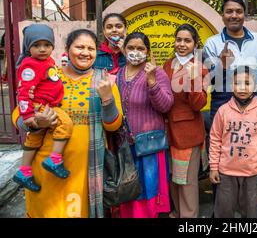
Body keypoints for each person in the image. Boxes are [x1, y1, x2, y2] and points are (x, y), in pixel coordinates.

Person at [12, 28, 123, 217]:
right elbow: (18, 117)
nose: (85, 53)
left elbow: (113, 125)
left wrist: (107, 99)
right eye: (79, 47)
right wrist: (38, 122)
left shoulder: (104, 81)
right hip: (45, 170)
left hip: (85, 173)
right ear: (67, 49)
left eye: (90, 48)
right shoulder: (50, 76)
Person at [116, 32, 174, 218]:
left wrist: (152, 82)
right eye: (131, 48)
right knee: (128, 190)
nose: (135, 52)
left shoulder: (157, 73)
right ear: (124, 50)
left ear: (147, 51)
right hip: (125, 145)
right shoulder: (118, 73)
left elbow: (166, 106)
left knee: (148, 190)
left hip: (148, 145)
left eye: (140, 48)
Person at [13, 24, 74, 193]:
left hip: (46, 104)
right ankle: (54, 159)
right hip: (41, 106)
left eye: (46, 45)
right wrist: (28, 116)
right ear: (28, 47)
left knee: (35, 136)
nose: (42, 49)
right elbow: (24, 92)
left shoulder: (48, 61)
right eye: (36, 45)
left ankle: (24, 171)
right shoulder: (30, 66)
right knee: (65, 124)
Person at [209, 66, 257, 218]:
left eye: (247, 83)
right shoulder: (223, 111)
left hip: (252, 173)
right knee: (223, 212)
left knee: (250, 213)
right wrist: (213, 167)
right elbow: (214, 140)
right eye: (237, 83)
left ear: (256, 86)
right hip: (226, 173)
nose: (242, 88)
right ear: (231, 85)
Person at [163, 24, 209, 218]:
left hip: (187, 132)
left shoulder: (200, 68)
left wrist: (192, 80)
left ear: (195, 44)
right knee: (173, 178)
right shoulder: (168, 64)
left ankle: (189, 217)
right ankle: (177, 213)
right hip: (167, 130)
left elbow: (198, 104)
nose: (182, 44)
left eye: (187, 40)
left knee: (187, 180)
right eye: (179, 40)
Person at [203, 0, 257, 125]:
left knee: (253, 145)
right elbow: (208, 81)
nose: (234, 15)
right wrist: (222, 65)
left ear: (244, 15)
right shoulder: (212, 43)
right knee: (220, 144)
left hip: (254, 107)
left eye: (239, 11)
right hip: (221, 106)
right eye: (229, 11)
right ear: (222, 16)